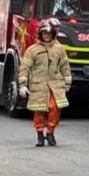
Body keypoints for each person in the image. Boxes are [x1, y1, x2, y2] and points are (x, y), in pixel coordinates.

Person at [18, 19, 72, 147]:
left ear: (53, 34)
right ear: (40, 34)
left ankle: (51, 133)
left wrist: (67, 82)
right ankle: (40, 135)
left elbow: (65, 66)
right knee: (39, 111)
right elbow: (24, 67)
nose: (46, 36)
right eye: (44, 33)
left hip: (55, 86)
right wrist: (22, 85)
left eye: (49, 33)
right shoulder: (33, 50)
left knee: (55, 108)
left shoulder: (59, 49)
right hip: (39, 86)